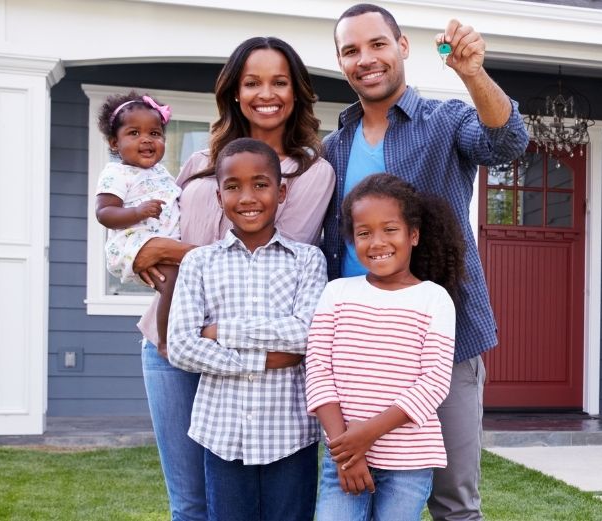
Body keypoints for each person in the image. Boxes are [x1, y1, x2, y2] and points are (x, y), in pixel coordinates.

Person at [323, 5, 528, 519]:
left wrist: (473, 72)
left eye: (377, 44)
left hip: (439, 349)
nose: (365, 59)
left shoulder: (446, 121)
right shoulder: (333, 148)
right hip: (355, 356)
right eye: (351, 50)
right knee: (351, 496)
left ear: (403, 47)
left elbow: (507, 141)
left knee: (453, 502)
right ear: (341, 62)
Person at [131, 36, 335, 521]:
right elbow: (159, 240)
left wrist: (172, 254)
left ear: (296, 91)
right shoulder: (200, 162)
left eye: (279, 82)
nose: (267, 93)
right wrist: (147, 251)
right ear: (235, 92)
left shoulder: (311, 172)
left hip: (247, 347)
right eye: (253, 82)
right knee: (190, 504)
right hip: (168, 339)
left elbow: (273, 249)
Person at [167, 137, 326, 521]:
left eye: (260, 184)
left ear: (281, 191)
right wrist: (264, 360)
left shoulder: (307, 260)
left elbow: (306, 335)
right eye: (233, 187)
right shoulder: (199, 264)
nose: (248, 197)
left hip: (290, 434)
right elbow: (181, 347)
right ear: (219, 196)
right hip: (222, 433)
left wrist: (221, 331)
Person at [307, 174, 464, 520]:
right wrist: (346, 448)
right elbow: (318, 370)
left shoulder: (433, 299)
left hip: (408, 463)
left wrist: (366, 434)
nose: (377, 242)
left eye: (390, 229)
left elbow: (434, 382)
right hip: (343, 455)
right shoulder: (337, 293)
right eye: (364, 233)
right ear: (352, 240)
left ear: (413, 235)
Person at [93, 92, 181, 350]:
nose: (146, 140)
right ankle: (164, 340)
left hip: (158, 241)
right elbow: (105, 213)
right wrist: (138, 212)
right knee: (171, 282)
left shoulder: (161, 173)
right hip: (130, 243)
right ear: (113, 143)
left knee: (182, 281)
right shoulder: (116, 173)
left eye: (154, 134)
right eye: (134, 133)